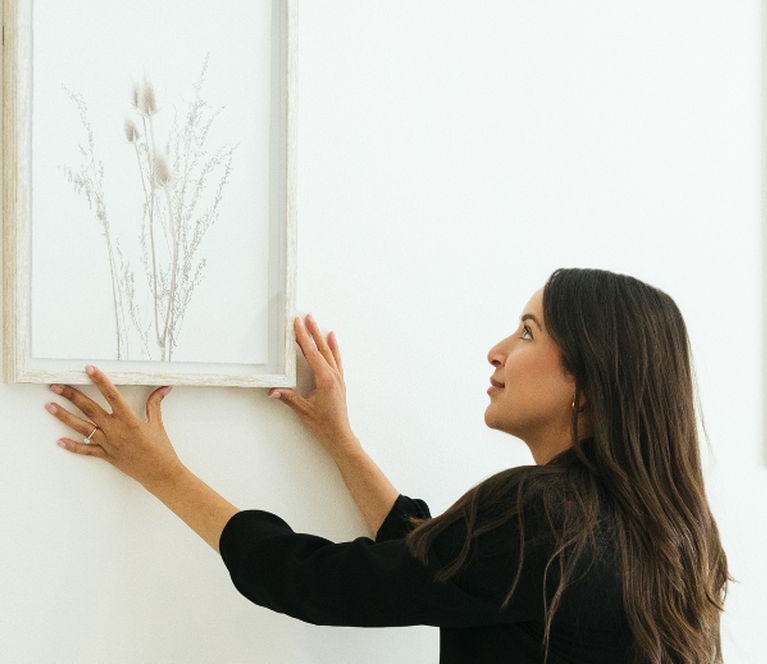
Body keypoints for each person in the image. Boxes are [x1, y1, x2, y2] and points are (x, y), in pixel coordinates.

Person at [43, 267, 731, 663]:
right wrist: (341, 441)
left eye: (528, 332)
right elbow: (442, 562)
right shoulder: (671, 530)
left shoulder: (548, 511)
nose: (497, 350)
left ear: (588, 380)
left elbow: (316, 583)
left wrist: (160, 470)